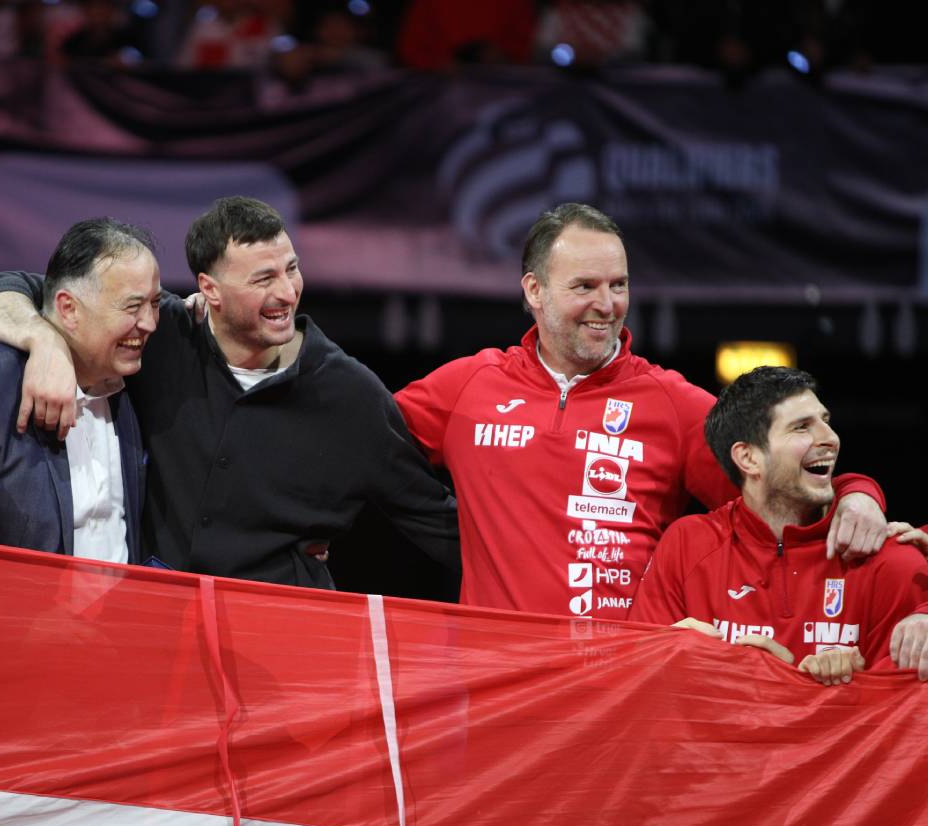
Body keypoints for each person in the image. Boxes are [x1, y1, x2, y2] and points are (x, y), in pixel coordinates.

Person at [394, 203, 885, 616]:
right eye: (584, 286)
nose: (607, 304)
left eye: (619, 285)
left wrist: (858, 495)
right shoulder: (469, 386)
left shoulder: (673, 404)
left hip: (624, 682)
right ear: (534, 290)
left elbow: (784, 491)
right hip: (502, 683)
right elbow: (362, 434)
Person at [0, 196, 459, 589]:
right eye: (263, 279)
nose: (287, 293)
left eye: (291, 269)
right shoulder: (157, 336)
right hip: (154, 642)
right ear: (209, 290)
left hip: (277, 647)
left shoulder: (351, 394)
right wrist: (43, 340)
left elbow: (439, 525)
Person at [629, 367, 928, 686]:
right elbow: (640, 682)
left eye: (825, 421)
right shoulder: (687, 547)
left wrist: (800, 684)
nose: (830, 439)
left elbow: (902, 708)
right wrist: (674, 657)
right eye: (802, 427)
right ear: (748, 458)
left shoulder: (889, 560)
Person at [0, 219, 157, 562]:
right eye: (132, 307)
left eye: (155, 303)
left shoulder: (134, 377)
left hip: (125, 597)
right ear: (68, 309)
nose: (150, 323)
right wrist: (42, 338)